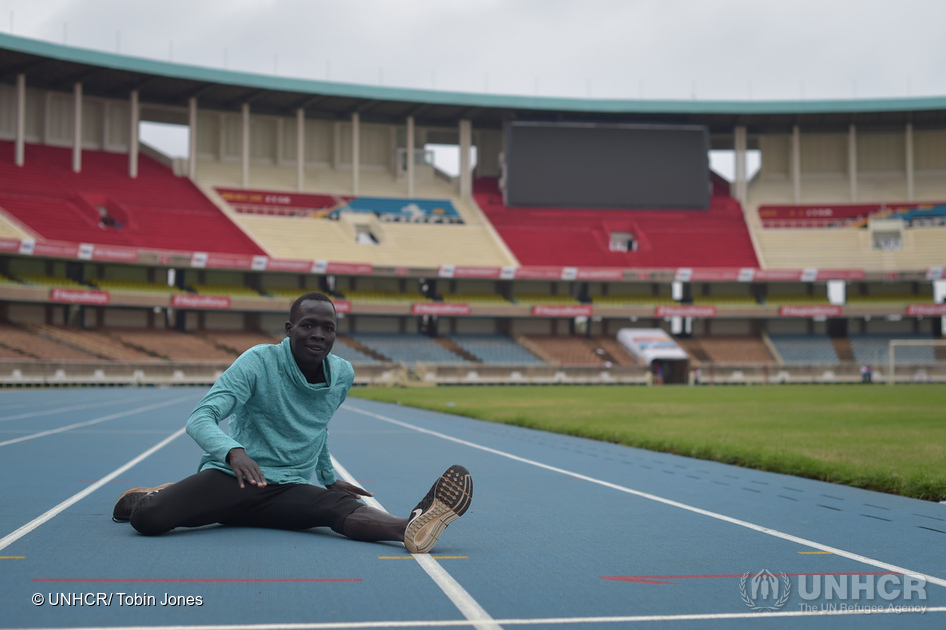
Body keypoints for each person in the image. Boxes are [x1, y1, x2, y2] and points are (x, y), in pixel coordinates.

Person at [112, 291, 472, 554]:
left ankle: (411, 523)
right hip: (232, 479)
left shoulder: (342, 374)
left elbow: (318, 427)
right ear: (289, 328)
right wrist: (232, 451)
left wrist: (328, 477)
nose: (318, 334)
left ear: (335, 334)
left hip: (287, 488)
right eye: (308, 325)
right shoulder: (258, 361)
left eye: (327, 328)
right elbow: (200, 418)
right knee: (149, 520)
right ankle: (150, 496)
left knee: (339, 511)